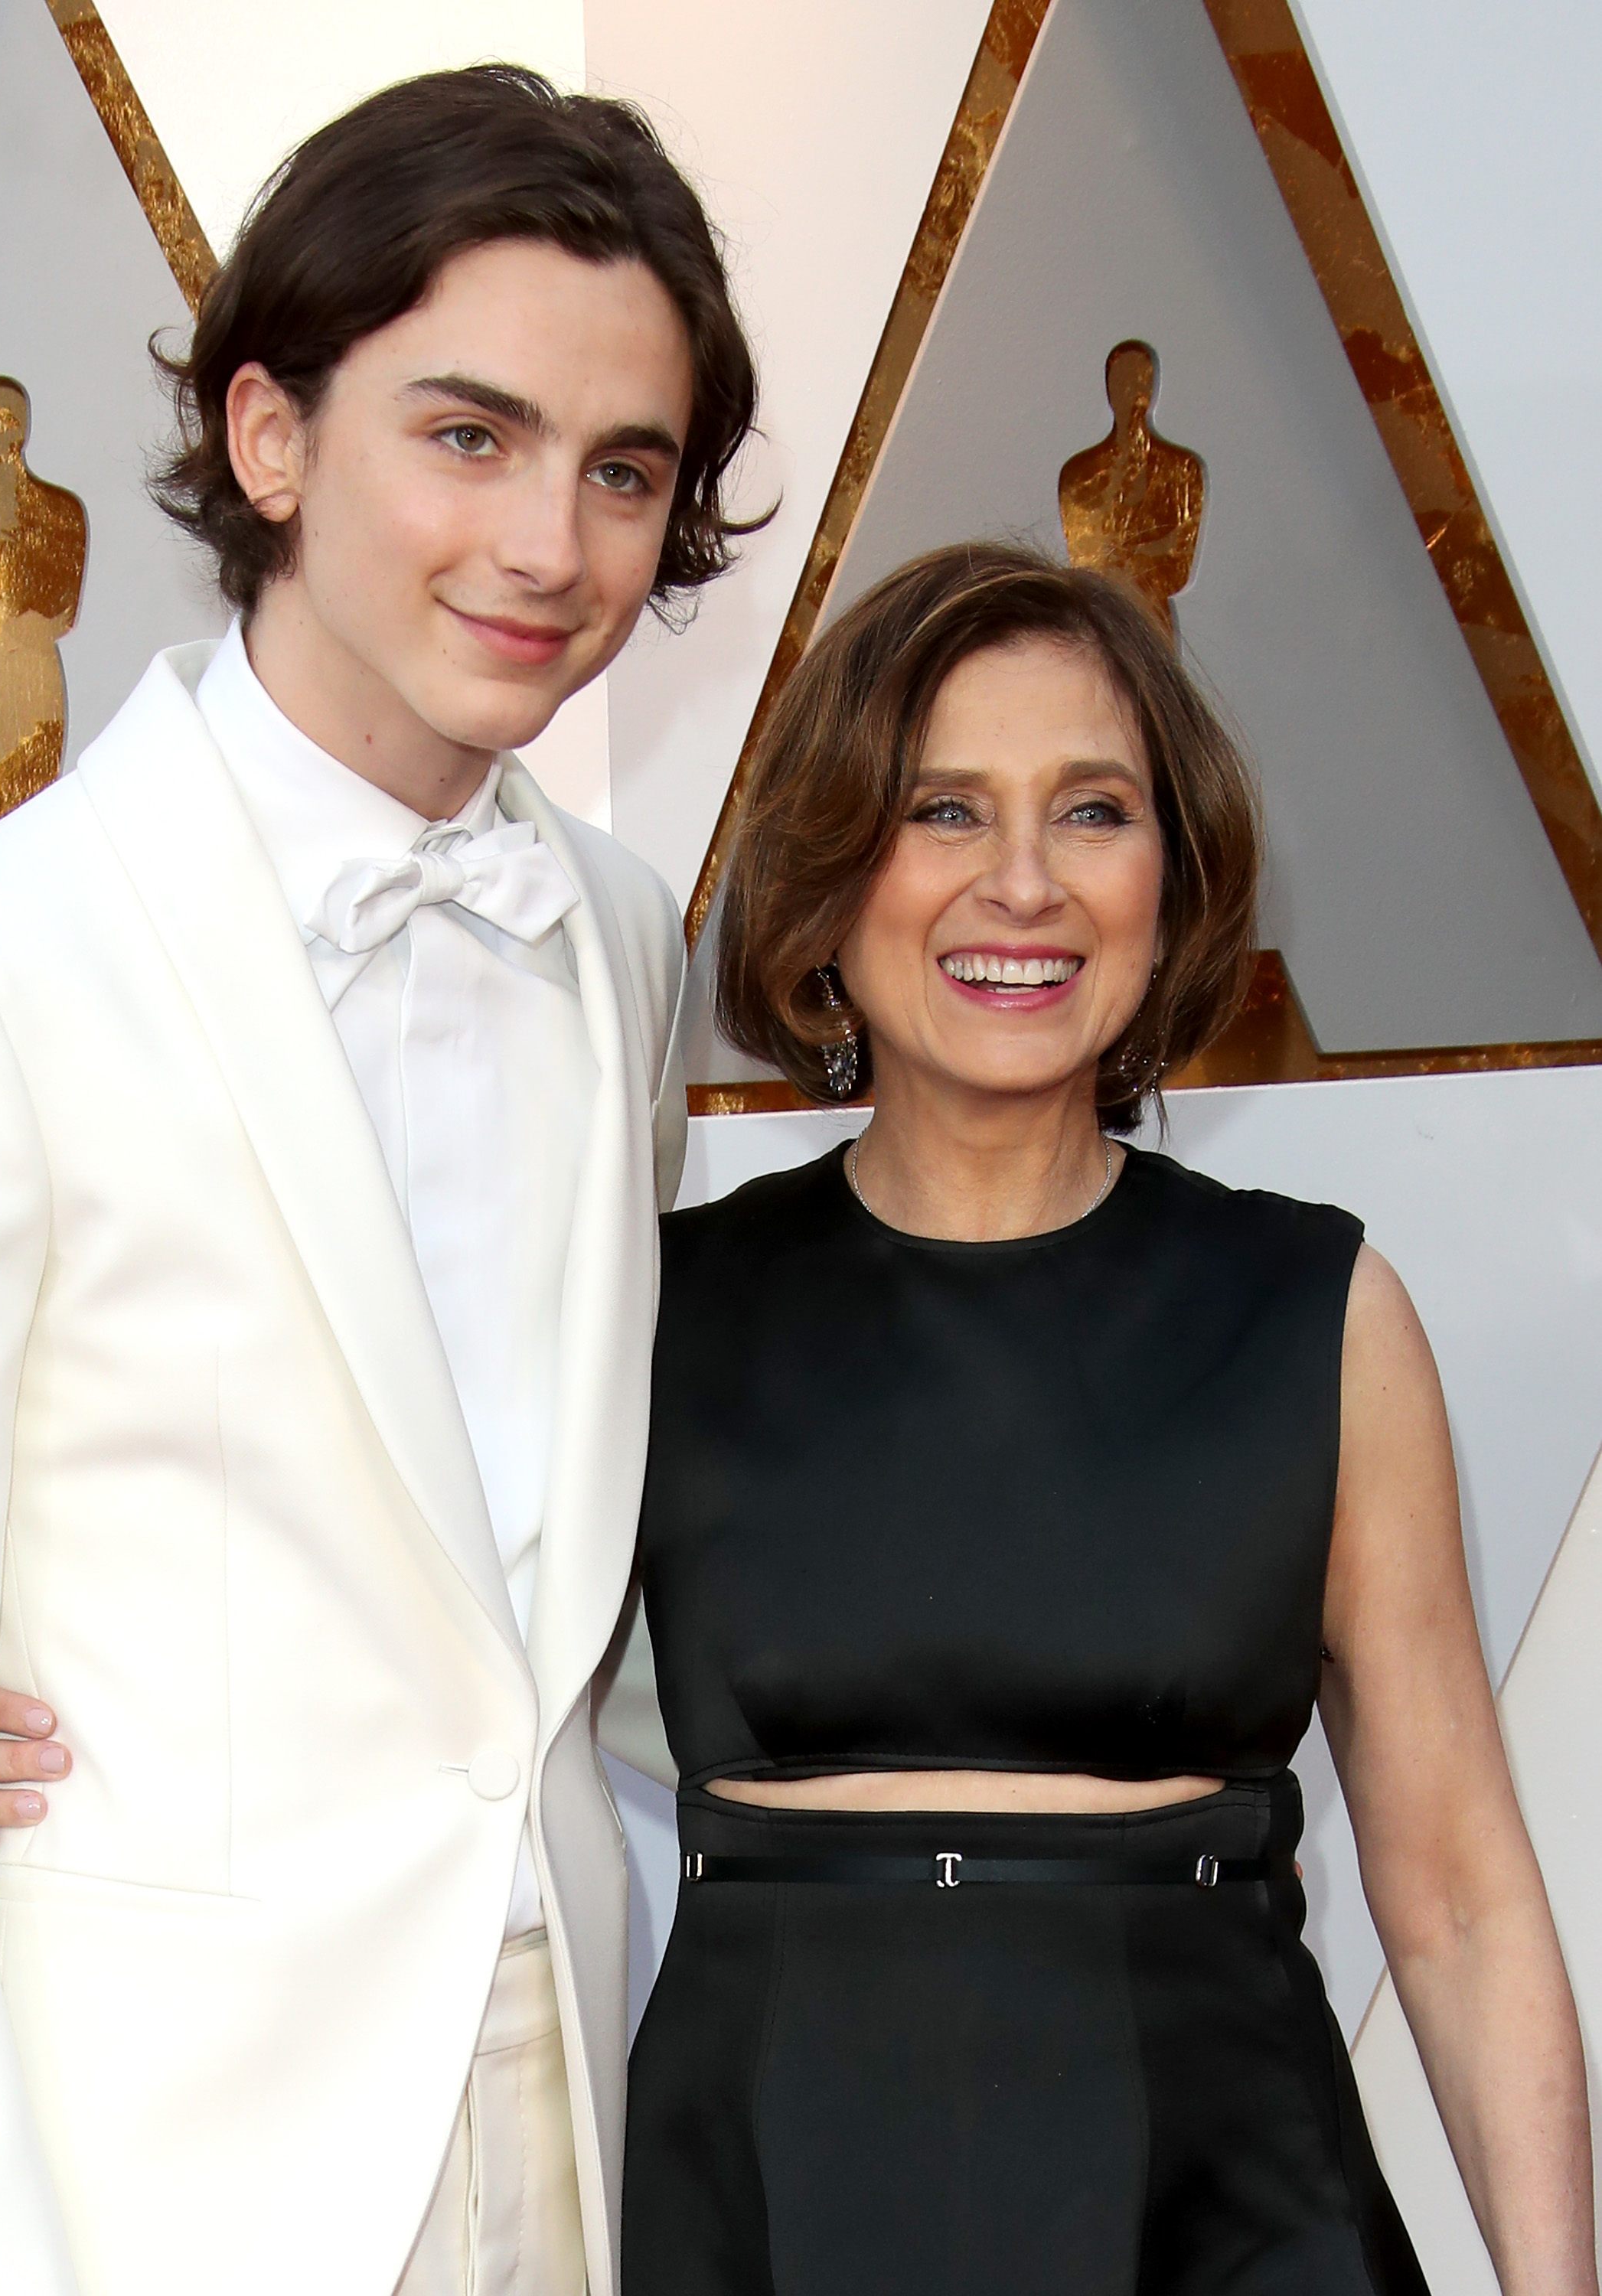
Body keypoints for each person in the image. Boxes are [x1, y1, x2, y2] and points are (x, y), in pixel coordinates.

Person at [0, 67, 759, 2296]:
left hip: (569, 2099)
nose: (545, 548)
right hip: (159, 2179)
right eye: (465, 436)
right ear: (272, 434)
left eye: (623, 471)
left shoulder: (609, 926)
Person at [621, 543, 1596, 2294]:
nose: (1023, 887)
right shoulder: (653, 1312)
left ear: (1173, 873)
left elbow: (1455, 1895)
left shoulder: (1317, 1313)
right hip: (779, 2197)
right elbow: (402, 1690)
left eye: (1091, 812)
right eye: (943, 811)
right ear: (833, 874)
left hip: (1230, 2214)